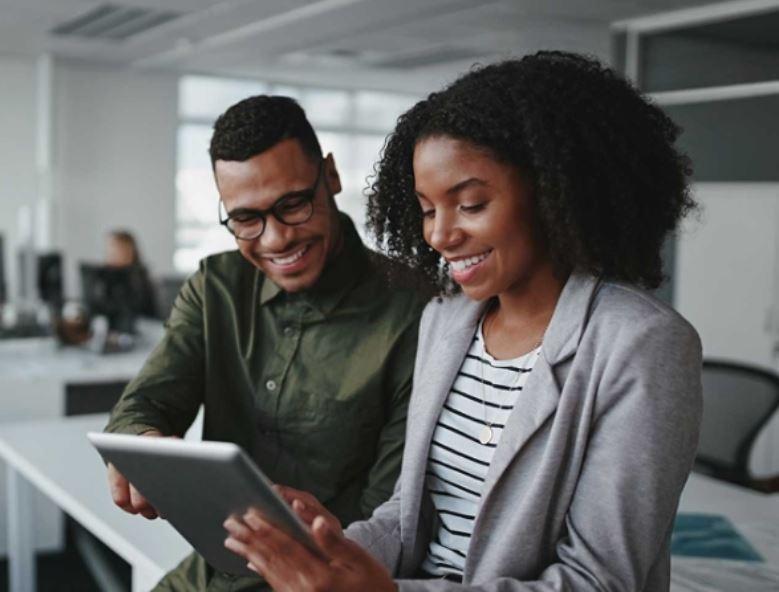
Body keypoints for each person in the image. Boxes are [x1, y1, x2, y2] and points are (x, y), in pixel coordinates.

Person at [223, 52, 703, 591]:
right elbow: (412, 514)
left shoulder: (641, 344)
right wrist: (331, 549)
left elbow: (601, 581)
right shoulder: (446, 319)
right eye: (427, 209)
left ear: (552, 192)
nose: (439, 235)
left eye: (470, 204)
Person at [104, 96, 428, 591]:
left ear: (332, 176)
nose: (275, 239)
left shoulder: (415, 313)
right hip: (211, 570)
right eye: (245, 219)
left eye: (293, 204)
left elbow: (391, 519)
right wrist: (141, 444)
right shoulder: (216, 285)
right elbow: (142, 406)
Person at [105, 229, 157, 318]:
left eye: (115, 249)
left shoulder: (139, 278)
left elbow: (130, 312)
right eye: (109, 250)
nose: (110, 255)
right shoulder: (105, 277)